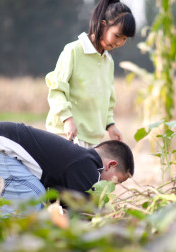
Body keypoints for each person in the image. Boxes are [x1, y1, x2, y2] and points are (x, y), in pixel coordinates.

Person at [0, 122, 134, 213]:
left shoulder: (80, 161)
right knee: (32, 200)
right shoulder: (89, 167)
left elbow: (62, 204)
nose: (110, 189)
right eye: (115, 182)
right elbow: (83, 214)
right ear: (111, 165)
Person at [45, 0, 136, 147]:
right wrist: (67, 119)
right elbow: (56, 90)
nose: (119, 42)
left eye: (124, 39)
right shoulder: (74, 51)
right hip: (66, 135)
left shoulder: (108, 61)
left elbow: (107, 100)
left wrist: (110, 125)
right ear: (103, 24)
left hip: (92, 139)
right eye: (117, 35)